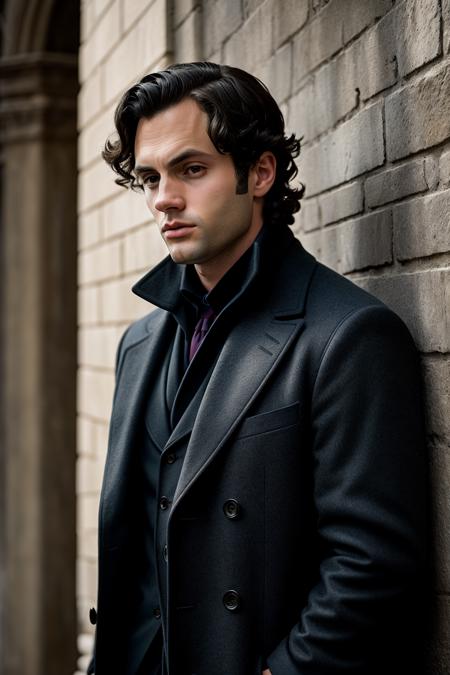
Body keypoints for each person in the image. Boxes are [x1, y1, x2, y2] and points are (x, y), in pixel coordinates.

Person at [88, 62, 427, 675]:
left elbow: (371, 566)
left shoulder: (347, 335)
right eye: (150, 176)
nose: (163, 197)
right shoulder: (138, 344)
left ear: (260, 172)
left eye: (192, 169)